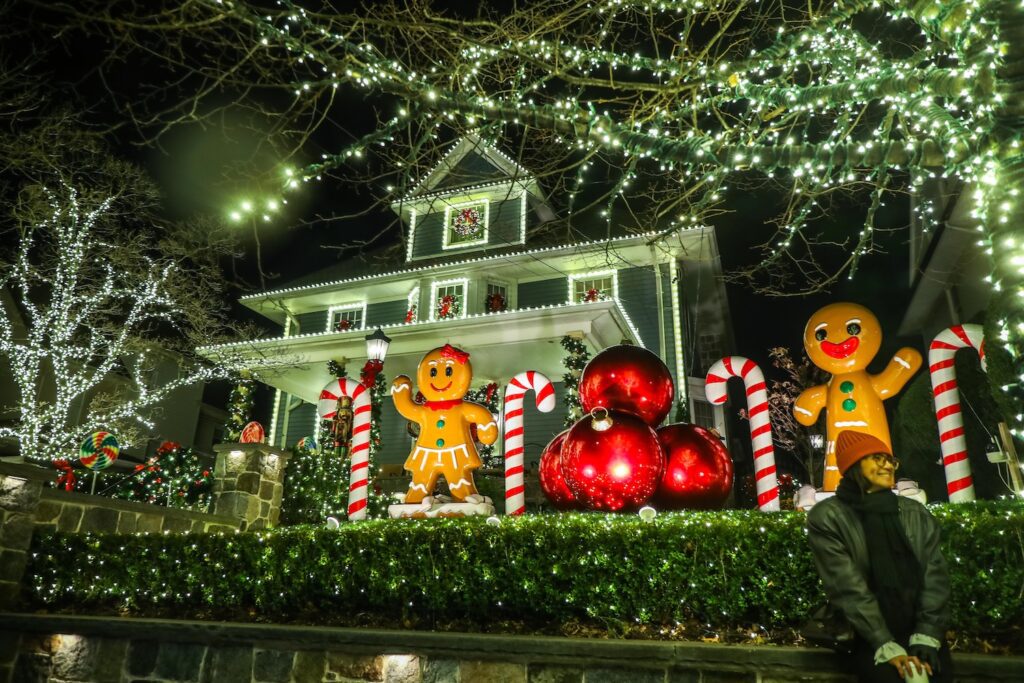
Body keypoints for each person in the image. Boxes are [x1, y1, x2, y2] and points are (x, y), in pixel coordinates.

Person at [806, 430, 953, 682]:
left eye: (890, 459)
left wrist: (927, 634)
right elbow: (847, 586)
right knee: (892, 677)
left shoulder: (913, 512)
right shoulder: (828, 517)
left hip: (918, 629)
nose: (887, 465)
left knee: (935, 675)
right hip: (866, 634)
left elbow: (935, 574)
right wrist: (884, 643)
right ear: (853, 465)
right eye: (876, 458)